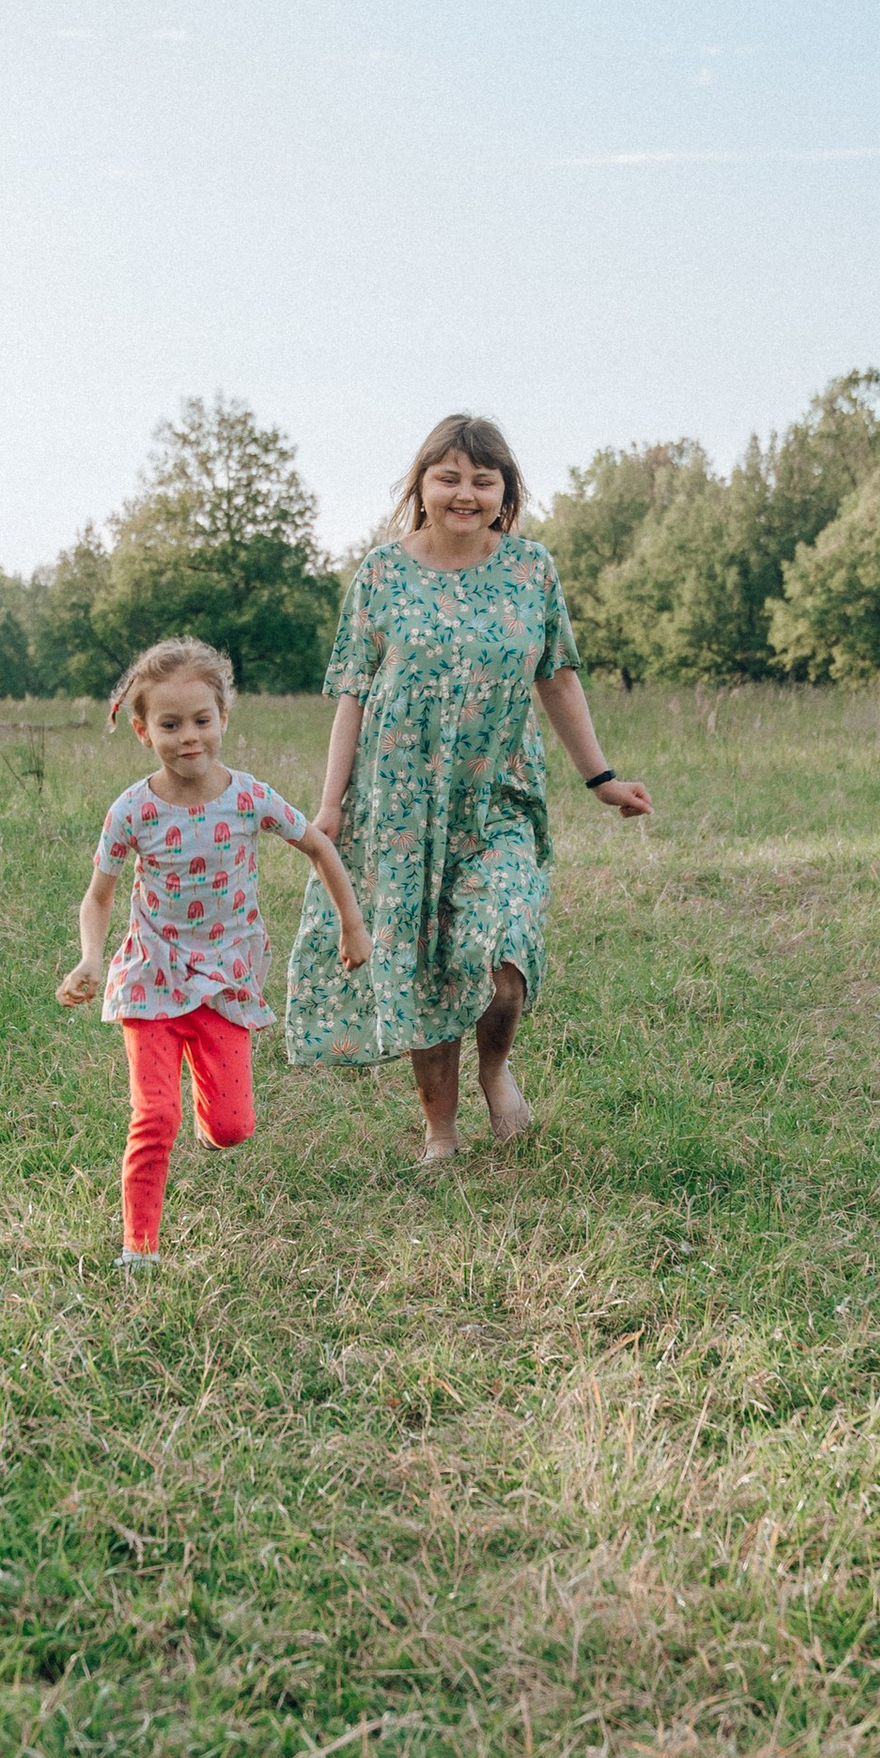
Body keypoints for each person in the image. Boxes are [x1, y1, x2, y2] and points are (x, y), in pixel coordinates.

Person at [282, 412, 651, 1159]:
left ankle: (496, 1070)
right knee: (420, 967)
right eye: (448, 477)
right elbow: (352, 692)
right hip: (399, 808)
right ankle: (440, 1134)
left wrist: (601, 777)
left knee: (503, 956)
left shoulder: (531, 570)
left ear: (504, 490)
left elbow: (559, 676)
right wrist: (330, 805)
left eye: (484, 480)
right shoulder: (382, 574)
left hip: (498, 802)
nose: (465, 493)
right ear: (421, 484)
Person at [59, 635, 370, 1268]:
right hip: (151, 978)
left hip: (225, 983)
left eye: (202, 720)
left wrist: (353, 925)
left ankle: (212, 1115)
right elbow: (97, 897)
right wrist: (92, 958)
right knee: (154, 1116)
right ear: (144, 731)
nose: (188, 737)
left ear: (223, 719)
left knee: (231, 1129)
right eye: (170, 725)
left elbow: (318, 846)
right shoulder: (132, 811)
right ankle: (137, 1249)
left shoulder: (248, 797)